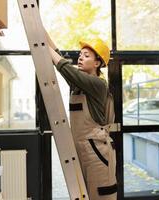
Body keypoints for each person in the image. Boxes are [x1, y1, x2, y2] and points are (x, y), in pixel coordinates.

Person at [46, 31, 117, 200]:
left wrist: (43, 47)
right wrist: (40, 31)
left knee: (101, 196)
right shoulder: (78, 85)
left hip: (96, 152)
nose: (80, 58)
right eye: (80, 55)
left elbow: (65, 67)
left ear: (97, 62)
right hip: (81, 150)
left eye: (86, 55)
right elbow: (61, 60)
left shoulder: (98, 84)